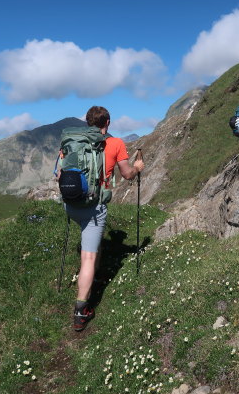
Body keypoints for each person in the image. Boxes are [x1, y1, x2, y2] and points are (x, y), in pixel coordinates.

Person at [61, 106, 144, 331]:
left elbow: (59, 174)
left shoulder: (72, 141)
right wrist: (137, 167)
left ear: (88, 122)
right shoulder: (115, 143)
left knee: (92, 247)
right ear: (107, 121)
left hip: (71, 204)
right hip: (93, 207)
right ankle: (81, 311)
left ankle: (93, 277)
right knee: (88, 258)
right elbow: (127, 175)